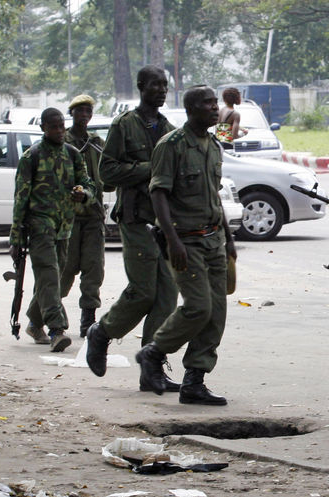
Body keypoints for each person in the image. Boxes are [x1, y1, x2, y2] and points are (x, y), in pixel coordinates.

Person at [135, 85, 236, 405]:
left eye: (215, 103)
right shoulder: (172, 146)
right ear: (191, 108)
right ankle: (153, 353)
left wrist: (229, 236)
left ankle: (195, 380)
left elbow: (213, 193)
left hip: (214, 240)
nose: (214, 108)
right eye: (207, 103)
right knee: (198, 307)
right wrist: (173, 240)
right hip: (185, 242)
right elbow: (158, 193)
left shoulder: (213, 145)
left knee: (216, 313)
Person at [85, 65, 180, 391]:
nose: (161, 90)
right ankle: (102, 332)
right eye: (155, 84)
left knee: (167, 295)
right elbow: (107, 173)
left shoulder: (168, 128)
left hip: (163, 222)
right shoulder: (125, 125)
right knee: (143, 291)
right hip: (135, 218)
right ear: (141, 87)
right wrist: (147, 168)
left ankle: (151, 367)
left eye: (165, 85)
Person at [10, 108, 95, 352]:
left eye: (62, 126)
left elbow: (88, 184)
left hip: (64, 226)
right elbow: (21, 199)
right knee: (48, 274)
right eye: (54, 127)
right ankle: (57, 329)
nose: (60, 131)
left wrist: (84, 194)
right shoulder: (32, 157)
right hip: (39, 225)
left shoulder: (72, 154)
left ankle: (34, 322)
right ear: (43, 128)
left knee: (57, 280)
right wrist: (15, 238)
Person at [60, 95, 107, 338]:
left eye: (88, 111)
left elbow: (106, 176)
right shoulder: (64, 141)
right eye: (80, 111)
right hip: (69, 216)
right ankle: (48, 316)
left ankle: (87, 322)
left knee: (94, 269)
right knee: (65, 270)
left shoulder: (96, 142)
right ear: (73, 114)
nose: (85, 115)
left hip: (93, 214)